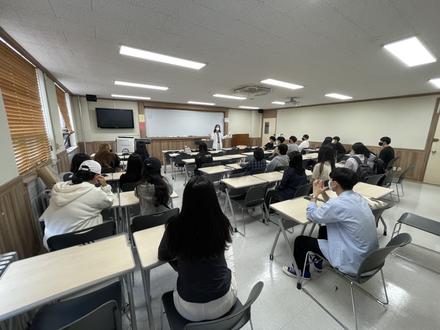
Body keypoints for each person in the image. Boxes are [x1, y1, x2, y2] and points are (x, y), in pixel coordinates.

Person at [158, 175, 236, 321]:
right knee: (229, 259)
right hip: (225, 303)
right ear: (213, 199)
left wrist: (179, 265)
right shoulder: (222, 222)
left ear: (186, 199)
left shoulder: (175, 226)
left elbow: (163, 255)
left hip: (188, 310)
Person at [283, 168, 378, 279]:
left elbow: (312, 216)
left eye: (330, 180)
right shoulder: (358, 197)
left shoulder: (337, 203)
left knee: (300, 241)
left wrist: (314, 195)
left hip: (353, 262)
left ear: (335, 183)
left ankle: (301, 272)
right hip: (370, 258)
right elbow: (335, 210)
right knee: (323, 229)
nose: (329, 181)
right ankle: (318, 261)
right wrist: (323, 194)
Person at [40, 160, 114, 250]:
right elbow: (109, 201)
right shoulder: (94, 192)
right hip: (82, 240)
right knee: (97, 217)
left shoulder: (58, 188)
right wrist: (105, 186)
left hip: (54, 242)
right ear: (97, 176)